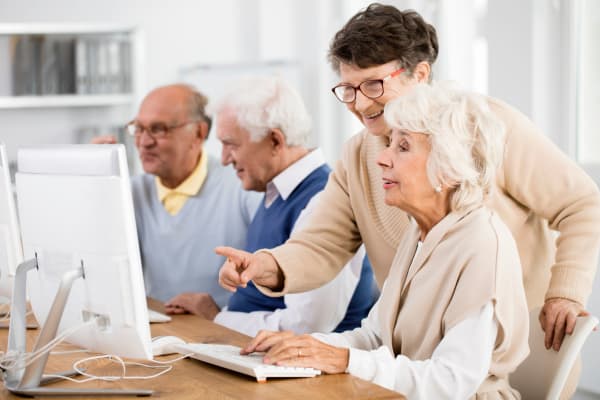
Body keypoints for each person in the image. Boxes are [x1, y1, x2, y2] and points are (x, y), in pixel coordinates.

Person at [217, 3, 600, 358]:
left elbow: (582, 203)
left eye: (373, 84)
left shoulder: (489, 129)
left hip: (508, 354)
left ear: (420, 73)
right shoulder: (356, 156)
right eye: (348, 88)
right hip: (413, 365)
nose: (360, 104)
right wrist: (262, 266)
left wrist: (564, 292)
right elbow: (321, 245)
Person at [232, 83, 529, 398]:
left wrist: (346, 360)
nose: (382, 158)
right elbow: (374, 337)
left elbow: (451, 381)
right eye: (390, 144)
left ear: (449, 166)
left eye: (402, 147)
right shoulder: (419, 232)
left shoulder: (482, 244)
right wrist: (307, 346)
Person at [165, 77, 379, 335]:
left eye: (231, 144)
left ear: (276, 141)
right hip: (251, 350)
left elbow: (305, 326)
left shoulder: (322, 199)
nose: (223, 159)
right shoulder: (274, 193)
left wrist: (215, 316)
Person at [93, 84, 260, 310]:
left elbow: (271, 281)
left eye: (159, 129)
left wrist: (220, 316)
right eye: (139, 129)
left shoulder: (243, 185)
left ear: (199, 133)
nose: (144, 142)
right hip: (159, 332)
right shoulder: (129, 192)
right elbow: (96, 266)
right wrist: (92, 185)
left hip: (224, 333)